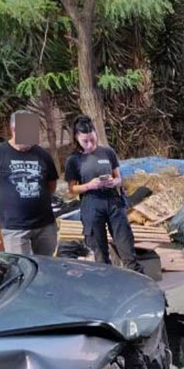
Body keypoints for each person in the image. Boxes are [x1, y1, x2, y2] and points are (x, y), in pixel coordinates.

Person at [63, 115, 141, 272]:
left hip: (113, 202)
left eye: (93, 139)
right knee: (100, 253)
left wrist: (114, 181)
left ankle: (138, 279)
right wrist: (89, 186)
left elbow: (118, 177)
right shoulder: (74, 160)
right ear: (77, 138)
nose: (90, 144)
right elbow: (72, 189)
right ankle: (107, 284)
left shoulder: (107, 152)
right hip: (91, 203)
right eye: (85, 141)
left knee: (126, 246)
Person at [0, 110, 60, 256]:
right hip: (14, 227)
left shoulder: (42, 154)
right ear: (13, 130)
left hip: (45, 224)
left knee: (48, 266)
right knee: (21, 266)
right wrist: (3, 201)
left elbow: (51, 184)